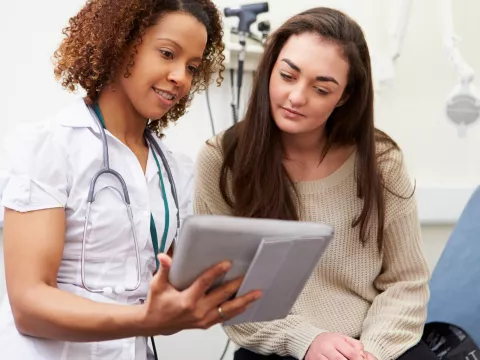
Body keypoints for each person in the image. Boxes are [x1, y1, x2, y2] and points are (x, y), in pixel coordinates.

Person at [0, 0, 261, 359]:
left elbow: (169, 281)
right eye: (167, 53)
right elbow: (29, 305)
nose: (181, 77)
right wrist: (144, 319)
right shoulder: (48, 147)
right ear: (120, 42)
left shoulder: (176, 171)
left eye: (192, 66)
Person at [194, 7, 435, 360]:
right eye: (288, 76)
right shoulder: (222, 159)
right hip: (281, 346)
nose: (296, 97)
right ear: (270, 68)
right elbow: (229, 294)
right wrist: (307, 341)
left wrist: (371, 352)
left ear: (345, 96)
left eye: (321, 89)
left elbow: (406, 282)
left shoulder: (381, 162)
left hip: (374, 347)